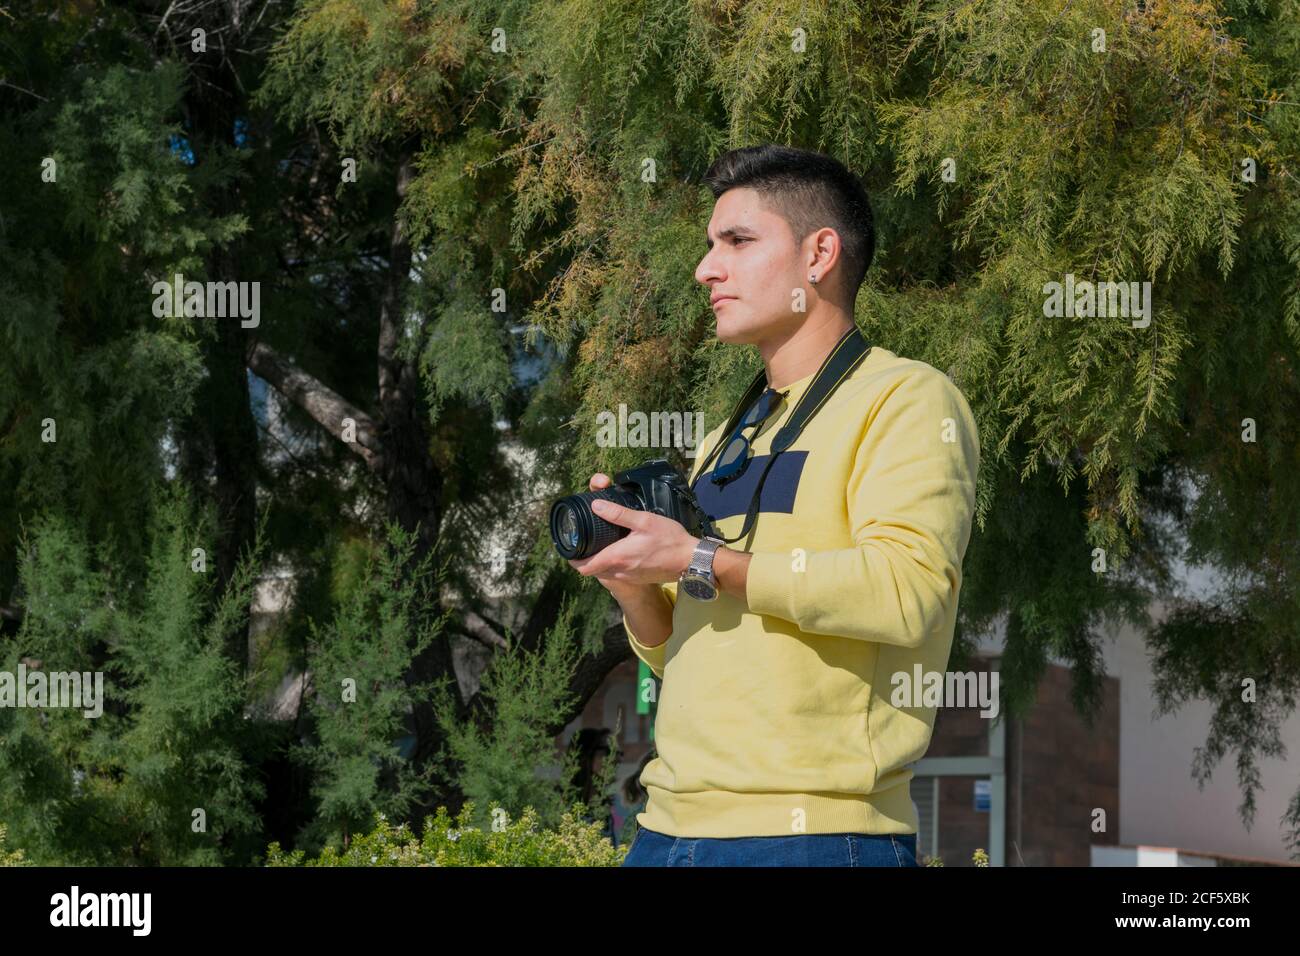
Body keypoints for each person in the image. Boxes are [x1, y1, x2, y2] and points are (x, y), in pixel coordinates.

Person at [566, 144, 980, 866]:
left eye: (737, 241)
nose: (706, 269)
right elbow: (681, 653)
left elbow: (909, 592)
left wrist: (698, 556)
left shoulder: (909, 399)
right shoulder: (731, 432)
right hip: (664, 831)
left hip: (813, 837)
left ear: (819, 254)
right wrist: (634, 586)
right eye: (708, 246)